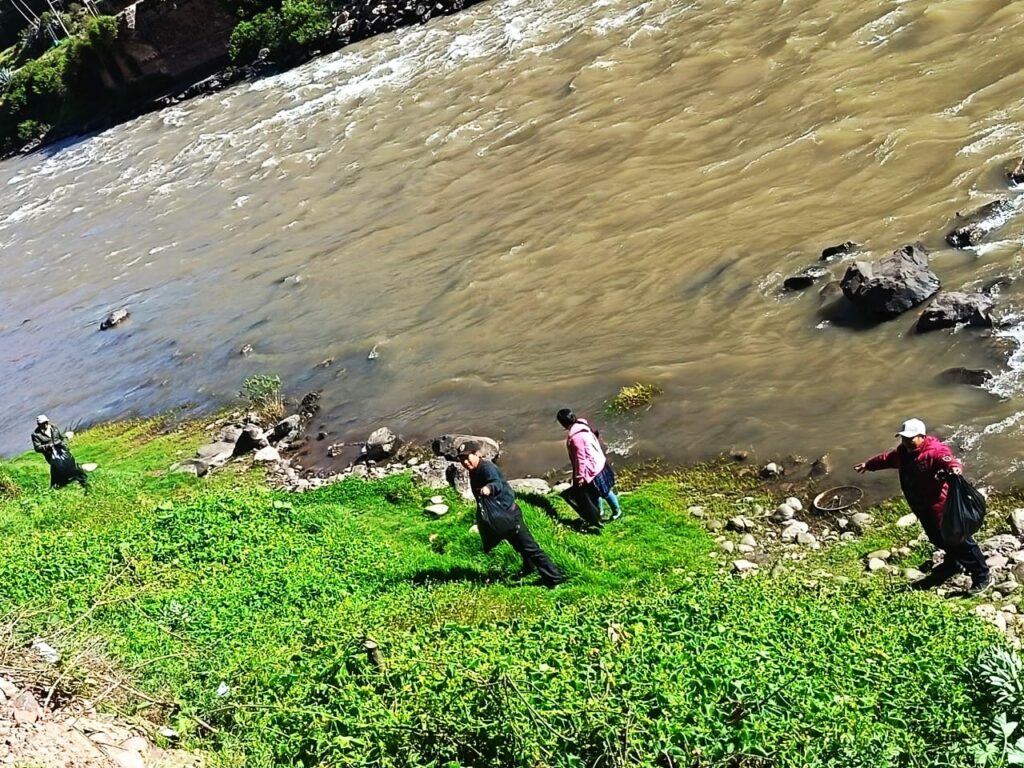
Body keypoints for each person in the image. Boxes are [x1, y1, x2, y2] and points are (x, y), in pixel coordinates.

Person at [855, 418, 991, 596]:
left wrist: (955, 469)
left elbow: (950, 461)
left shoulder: (934, 451)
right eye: (903, 438)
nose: (906, 441)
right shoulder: (903, 453)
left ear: (922, 436)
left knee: (961, 543)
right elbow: (887, 459)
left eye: (910, 438)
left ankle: (982, 576)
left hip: (941, 508)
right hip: (922, 507)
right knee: (937, 539)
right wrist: (869, 465)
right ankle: (953, 564)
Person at [457, 442, 564, 588]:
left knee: (530, 548)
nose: (465, 462)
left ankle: (554, 578)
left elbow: (496, 483)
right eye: (462, 460)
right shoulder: (473, 470)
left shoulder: (487, 468)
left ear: (477, 454)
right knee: (518, 546)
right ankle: (529, 567)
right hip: (501, 518)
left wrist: (489, 488)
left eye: (467, 458)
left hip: (510, 515)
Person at [556, 408, 622, 526]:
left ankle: (616, 511)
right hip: (599, 463)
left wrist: (580, 477)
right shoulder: (582, 425)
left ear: (562, 423)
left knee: (603, 493)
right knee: (598, 493)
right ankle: (599, 513)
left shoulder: (576, 438)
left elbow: (581, 459)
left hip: (593, 471)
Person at [31, 415, 87, 490]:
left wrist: (64, 443)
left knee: (72, 465)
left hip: (63, 451)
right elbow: (37, 448)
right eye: (42, 423)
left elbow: (61, 438)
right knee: (57, 470)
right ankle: (58, 486)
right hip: (52, 456)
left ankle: (81, 480)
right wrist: (48, 446)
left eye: (46, 422)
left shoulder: (54, 429)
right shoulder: (36, 435)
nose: (45, 424)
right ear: (39, 424)